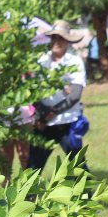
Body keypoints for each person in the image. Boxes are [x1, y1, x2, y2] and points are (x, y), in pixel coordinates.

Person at [27, 19, 89, 174]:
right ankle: (25, 198)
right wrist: (41, 115)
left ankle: (87, 198)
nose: (56, 41)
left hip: (67, 123)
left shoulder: (74, 61)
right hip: (44, 123)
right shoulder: (41, 61)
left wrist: (50, 113)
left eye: (60, 38)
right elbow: (33, 92)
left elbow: (74, 95)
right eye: (54, 37)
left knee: (78, 167)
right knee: (32, 168)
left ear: (67, 41)